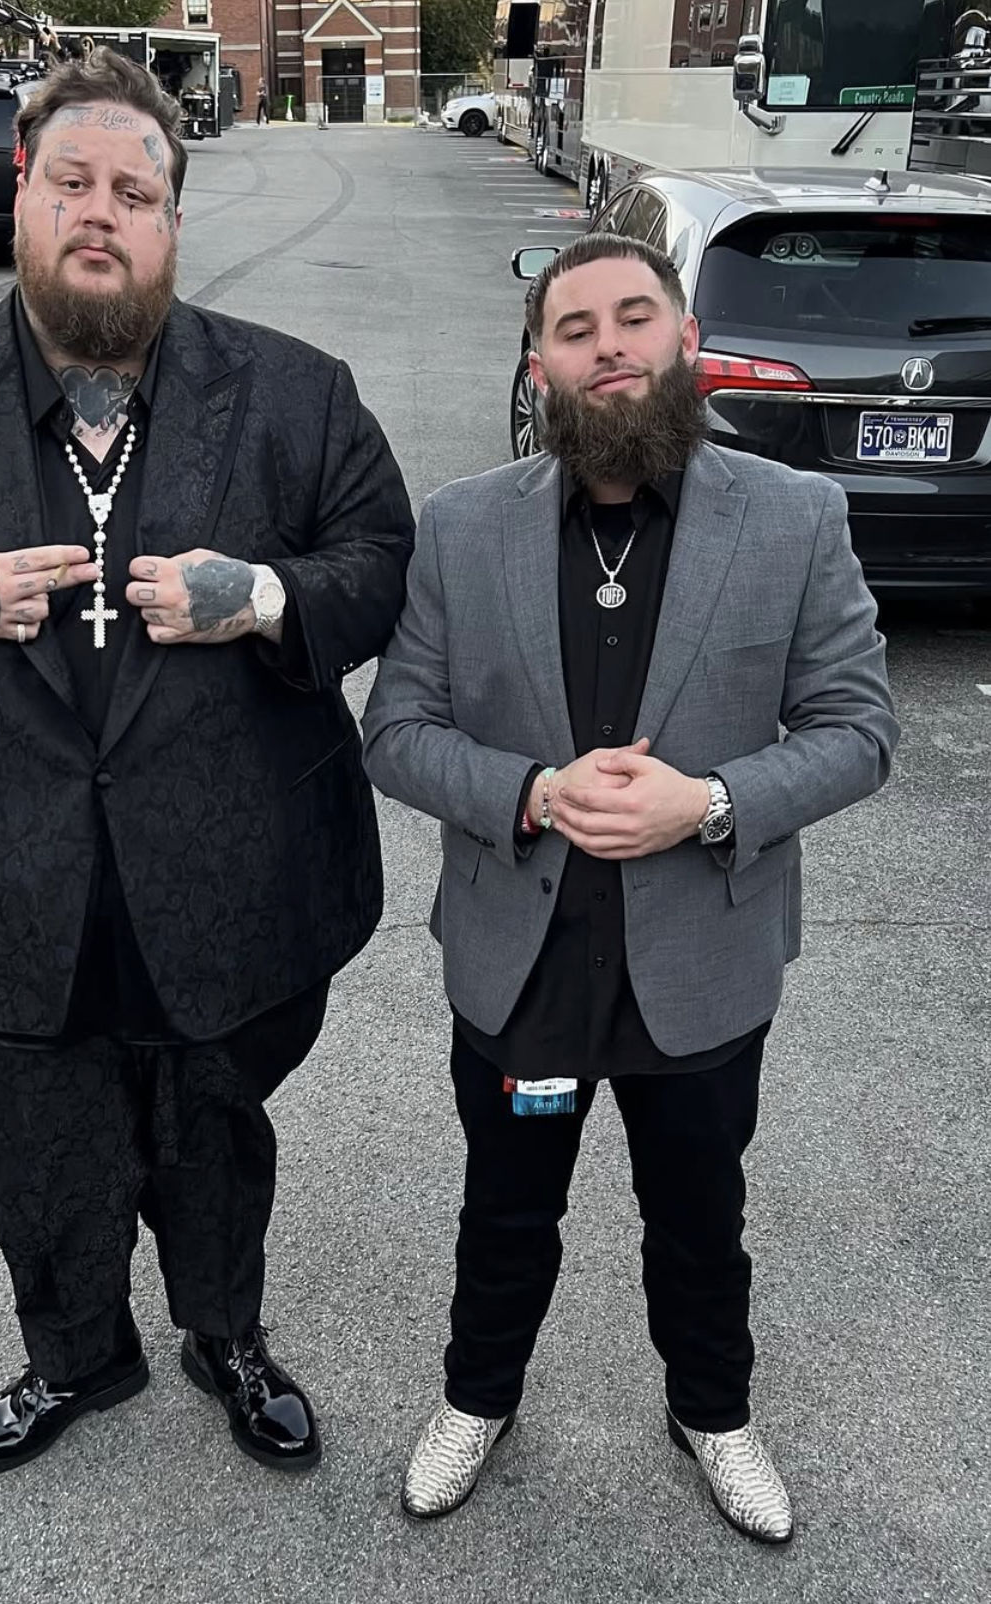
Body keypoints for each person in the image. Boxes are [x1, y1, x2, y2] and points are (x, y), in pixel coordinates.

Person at [0, 48, 413, 1478]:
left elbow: (379, 565)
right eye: (72, 183)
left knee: (213, 1132)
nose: (100, 212)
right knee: (26, 1142)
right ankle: (75, 1356)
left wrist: (266, 599)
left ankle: (224, 1333)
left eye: (135, 192)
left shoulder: (297, 396)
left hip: (228, 884)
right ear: (22, 196)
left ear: (172, 221)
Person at [361, 232, 899, 1541]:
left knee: (699, 1214)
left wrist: (705, 803)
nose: (608, 346)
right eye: (575, 329)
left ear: (684, 339)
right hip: (526, 966)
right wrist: (535, 794)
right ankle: (476, 1400)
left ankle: (714, 1413)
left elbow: (858, 729)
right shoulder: (463, 527)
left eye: (634, 318)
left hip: (699, 969)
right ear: (538, 366)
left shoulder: (792, 517)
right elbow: (397, 732)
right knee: (508, 1206)